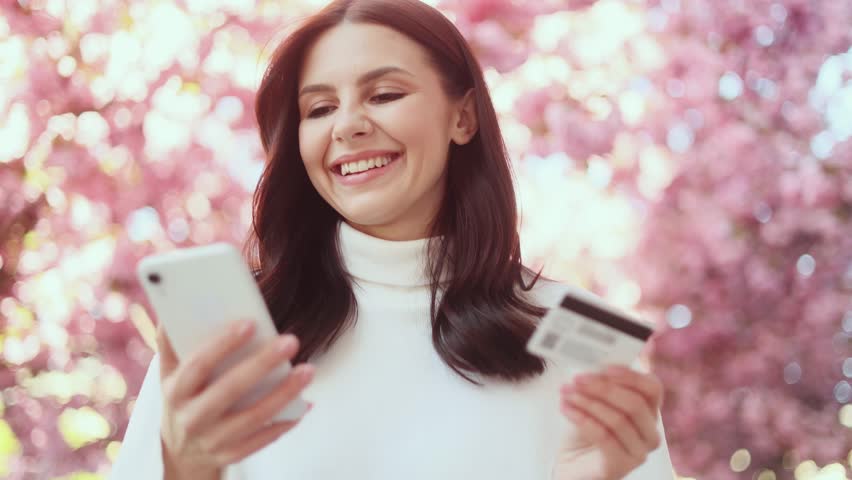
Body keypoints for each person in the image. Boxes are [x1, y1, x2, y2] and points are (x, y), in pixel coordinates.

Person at [109, 0, 675, 478]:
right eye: (320, 108)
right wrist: (185, 469)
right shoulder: (226, 341)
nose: (347, 125)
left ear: (464, 118)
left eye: (383, 95)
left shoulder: (571, 339)